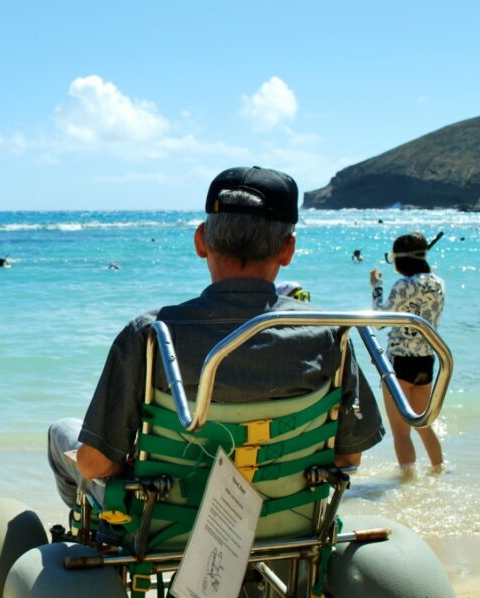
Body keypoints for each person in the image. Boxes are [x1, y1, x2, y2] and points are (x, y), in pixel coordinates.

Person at [48, 166, 384, 507]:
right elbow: (347, 458)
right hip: (287, 523)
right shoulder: (328, 333)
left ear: (201, 241)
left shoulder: (151, 335)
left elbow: (96, 464)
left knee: (62, 432)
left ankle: (90, 543)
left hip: (164, 527)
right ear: (288, 250)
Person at [370, 231, 446, 469]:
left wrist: (376, 287)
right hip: (427, 359)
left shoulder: (403, 285)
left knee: (401, 433)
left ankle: (407, 483)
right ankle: (438, 470)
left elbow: (381, 321)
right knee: (423, 424)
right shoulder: (438, 283)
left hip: (400, 362)